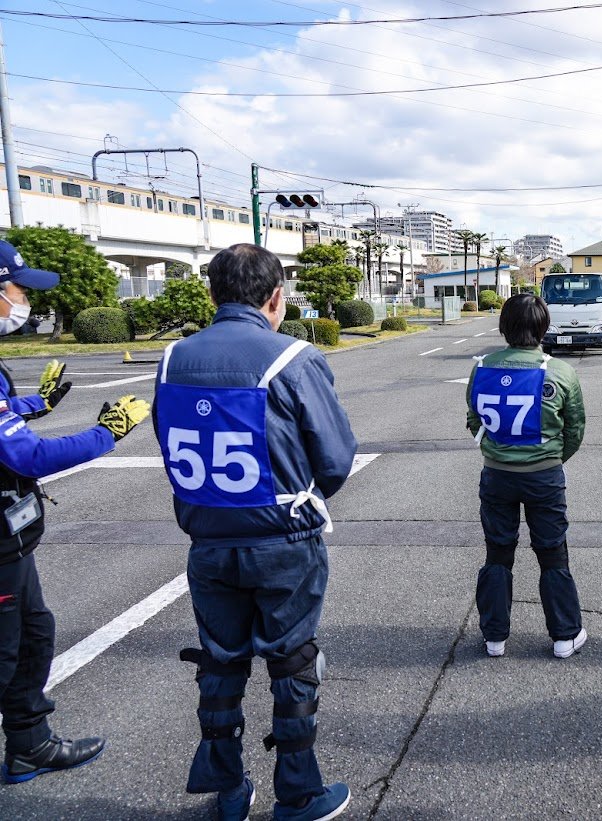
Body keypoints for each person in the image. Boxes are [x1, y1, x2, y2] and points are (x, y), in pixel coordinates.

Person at [153, 244, 356, 821]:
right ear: (275, 298)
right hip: (283, 541)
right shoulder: (293, 357)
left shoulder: (173, 359)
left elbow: (169, 439)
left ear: (214, 295)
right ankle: (297, 792)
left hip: (207, 539)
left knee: (221, 661)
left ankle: (228, 788)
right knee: (291, 662)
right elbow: (336, 463)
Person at [0, 240, 150, 784]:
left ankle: (29, 746)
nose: (24, 302)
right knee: (6, 650)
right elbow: (26, 455)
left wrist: (33, 404)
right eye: (16, 289)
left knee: (33, 634)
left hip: (12, 540)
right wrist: (104, 433)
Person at [466, 293, 587, 659]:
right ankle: (565, 636)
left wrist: (496, 450)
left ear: (504, 326)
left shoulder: (482, 367)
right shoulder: (560, 372)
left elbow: (474, 420)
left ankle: (495, 638)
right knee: (552, 554)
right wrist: (551, 458)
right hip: (545, 476)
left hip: (497, 475)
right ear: (543, 327)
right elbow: (575, 430)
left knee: (498, 554)